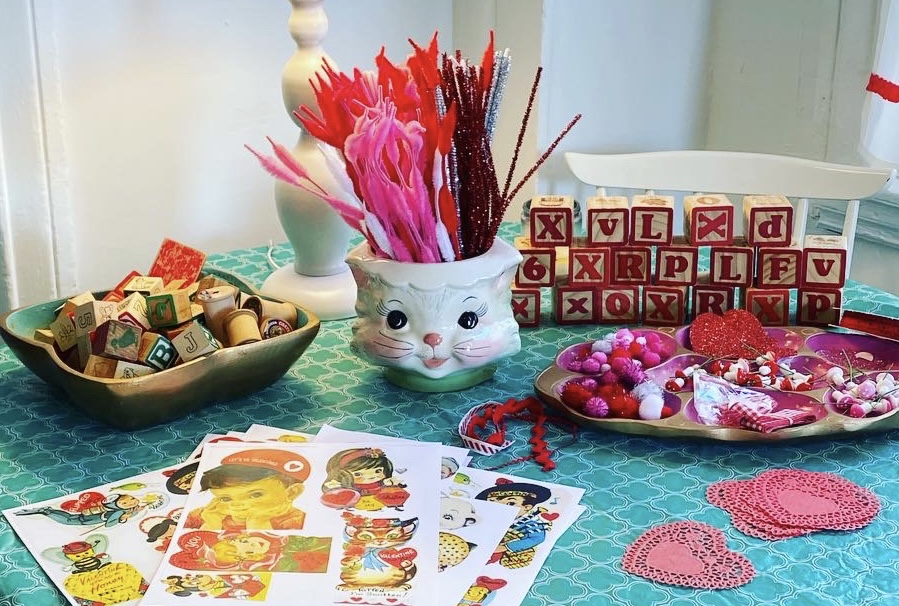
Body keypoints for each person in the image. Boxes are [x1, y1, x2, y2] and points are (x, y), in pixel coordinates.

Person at [184, 449, 309, 531]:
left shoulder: (297, 522)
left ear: (292, 492)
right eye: (225, 498)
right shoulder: (202, 515)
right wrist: (211, 525)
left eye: (255, 495)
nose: (238, 505)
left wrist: (258, 522)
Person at [475, 482, 554, 569]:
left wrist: (505, 547)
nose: (501, 508)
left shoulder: (531, 524)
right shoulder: (489, 518)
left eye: (510, 504)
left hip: (508, 556)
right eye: (493, 503)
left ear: (527, 507)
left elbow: (537, 538)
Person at [321, 448, 409, 511]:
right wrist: (335, 488)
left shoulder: (383, 483)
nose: (371, 477)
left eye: (378, 471)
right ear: (343, 474)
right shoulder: (347, 486)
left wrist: (392, 486)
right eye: (358, 474)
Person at [17, 493, 148, 528]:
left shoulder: (128, 509)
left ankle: (48, 511)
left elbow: (131, 512)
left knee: (69, 517)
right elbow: (110, 523)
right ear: (116, 506)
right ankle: (48, 512)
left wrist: (137, 509)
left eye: (131, 498)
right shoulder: (118, 512)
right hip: (87, 520)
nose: (131, 501)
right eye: (124, 502)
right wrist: (122, 519)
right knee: (68, 520)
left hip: (90, 517)